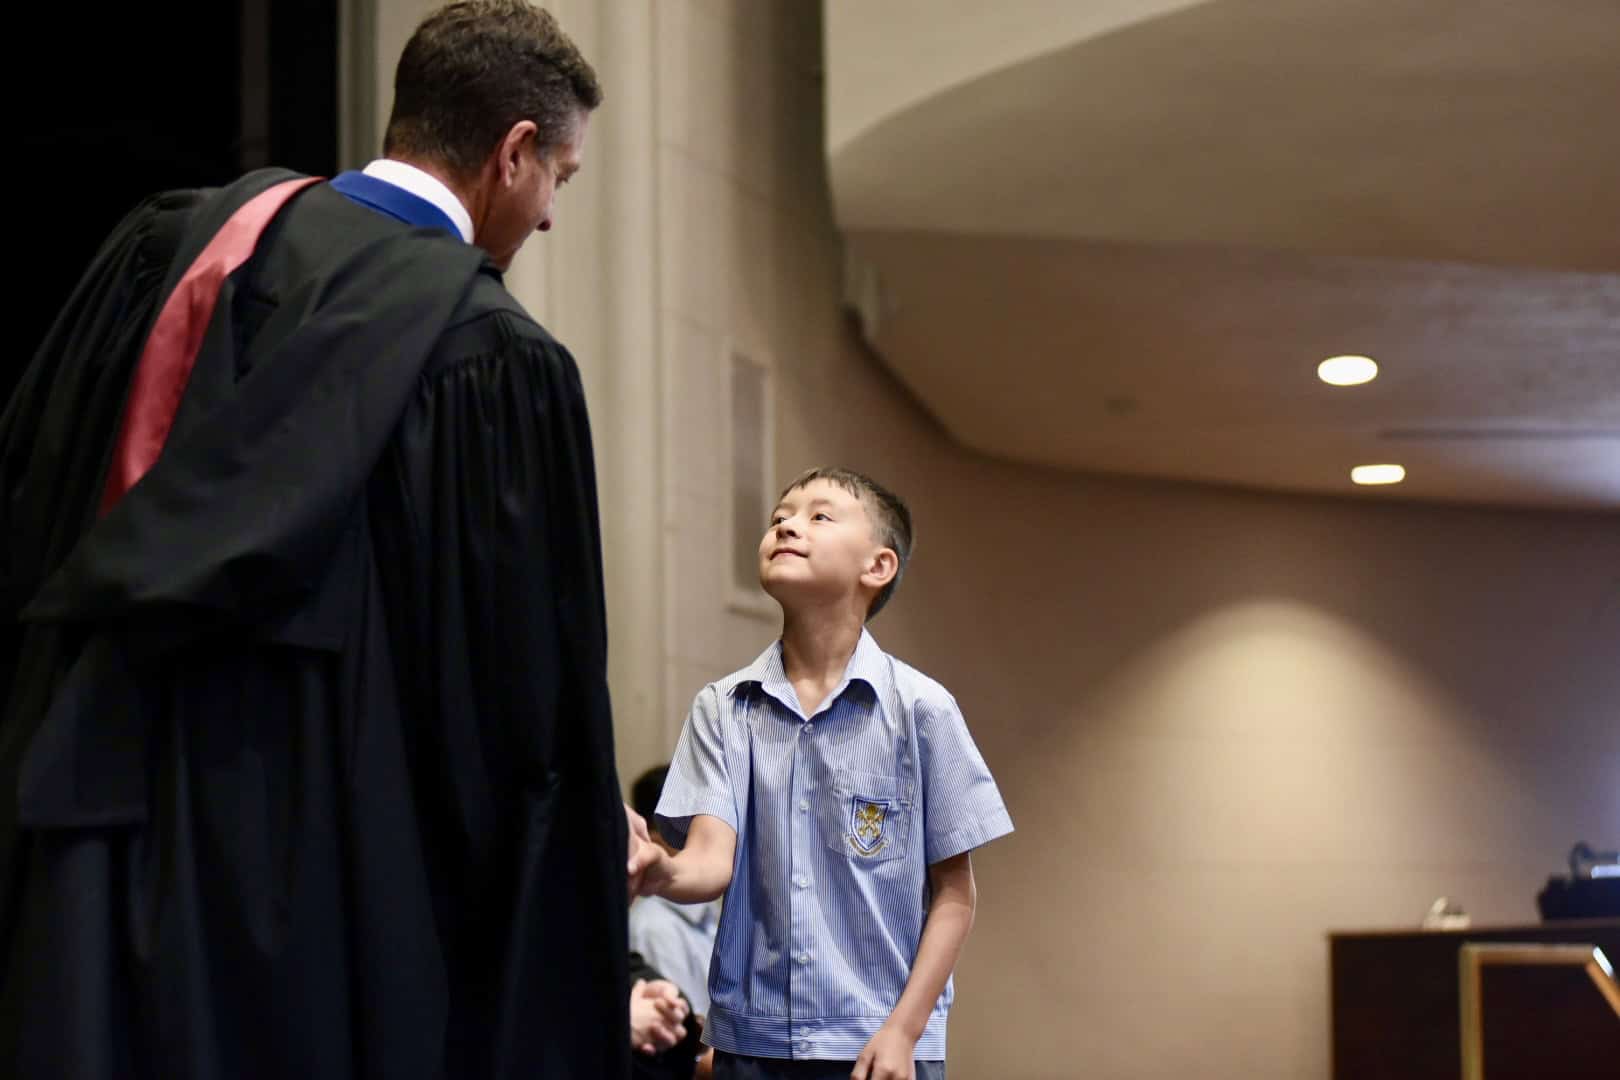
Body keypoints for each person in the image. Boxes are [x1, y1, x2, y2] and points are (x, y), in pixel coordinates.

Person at [0, 3, 633, 1077]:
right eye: (558, 180)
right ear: (513, 152)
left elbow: (31, 499)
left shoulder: (175, 248)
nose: (548, 218)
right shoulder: (489, 356)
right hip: (323, 888)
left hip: (92, 825)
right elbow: (510, 717)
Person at [630, 468, 1014, 1080]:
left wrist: (904, 1031)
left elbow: (954, 894)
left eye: (819, 516)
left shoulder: (922, 709)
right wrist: (660, 869)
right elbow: (709, 862)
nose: (787, 525)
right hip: (751, 1048)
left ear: (877, 567)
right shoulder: (723, 707)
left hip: (877, 1045)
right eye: (779, 516)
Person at [629, 764, 723, 1018]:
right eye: (699, 827)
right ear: (656, 841)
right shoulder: (654, 927)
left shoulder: (708, 909)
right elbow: (685, 1025)